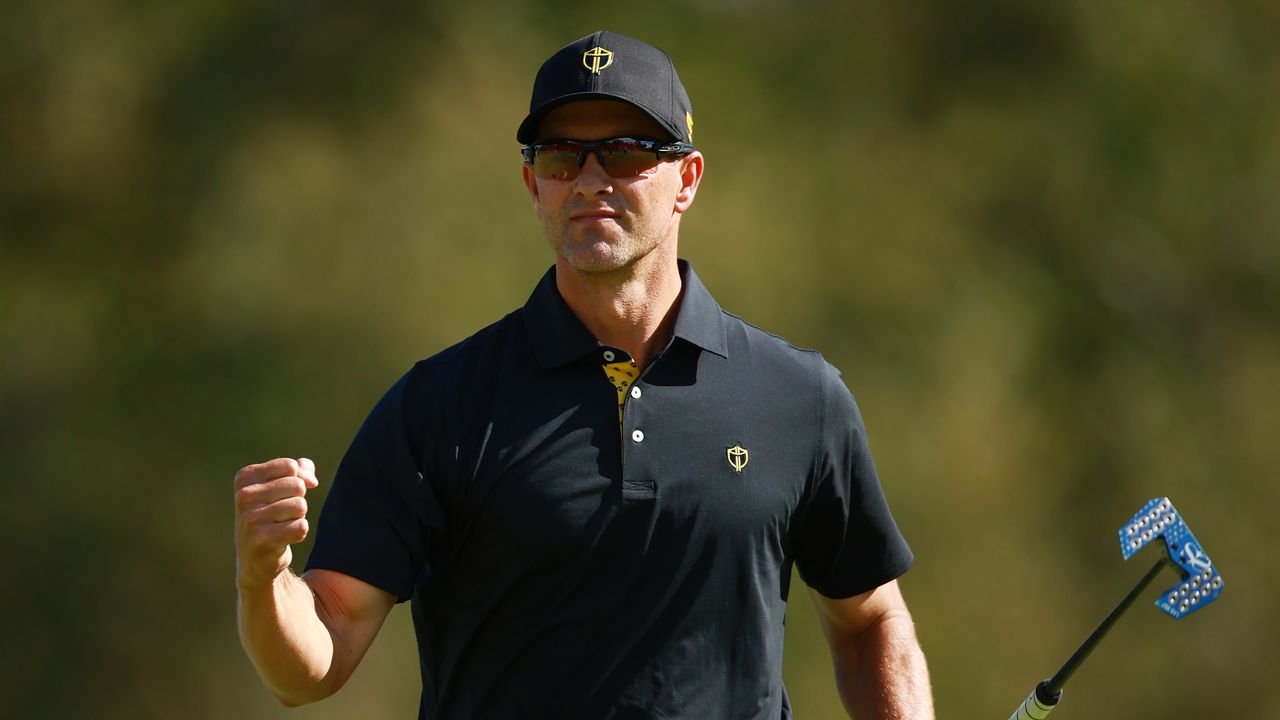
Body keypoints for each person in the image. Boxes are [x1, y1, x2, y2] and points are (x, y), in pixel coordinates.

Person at [233, 30, 934, 719]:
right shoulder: (440, 405)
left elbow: (869, 618)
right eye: (564, 156)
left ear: (686, 179)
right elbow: (317, 657)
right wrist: (263, 580)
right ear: (533, 183)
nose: (591, 179)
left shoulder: (797, 398)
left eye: (627, 153)